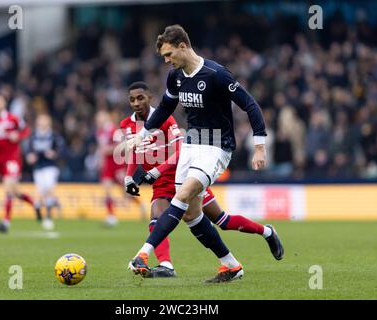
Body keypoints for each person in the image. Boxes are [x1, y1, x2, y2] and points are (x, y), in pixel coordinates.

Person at [127, 25, 284, 283]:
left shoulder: (217, 74)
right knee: (191, 214)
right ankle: (232, 266)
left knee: (183, 195)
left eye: (169, 54)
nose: (166, 61)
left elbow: (250, 104)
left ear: (183, 46)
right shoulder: (175, 76)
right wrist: (144, 134)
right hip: (191, 144)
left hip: (216, 146)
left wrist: (259, 146)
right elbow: (167, 106)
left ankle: (143, 253)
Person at [0, 90, 38, 233]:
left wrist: (18, 136)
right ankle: (35, 204)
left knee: (8, 186)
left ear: (4, 103)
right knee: (15, 192)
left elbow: (27, 130)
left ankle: (5, 222)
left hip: (13, 157)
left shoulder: (13, 118)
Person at [95, 110, 147, 227]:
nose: (98, 120)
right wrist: (101, 160)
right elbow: (101, 148)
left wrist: (109, 150)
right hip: (108, 164)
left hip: (117, 163)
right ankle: (111, 216)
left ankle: (141, 204)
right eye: (98, 118)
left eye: (101, 117)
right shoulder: (99, 132)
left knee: (125, 192)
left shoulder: (114, 130)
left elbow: (122, 146)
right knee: (107, 189)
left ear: (106, 118)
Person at [26, 114, 64, 230]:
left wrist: (54, 154)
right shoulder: (34, 136)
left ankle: (48, 216)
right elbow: (28, 150)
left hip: (50, 166)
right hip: (38, 167)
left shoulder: (53, 135)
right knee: (41, 190)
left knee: (49, 188)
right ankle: (38, 207)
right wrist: (30, 157)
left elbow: (61, 149)